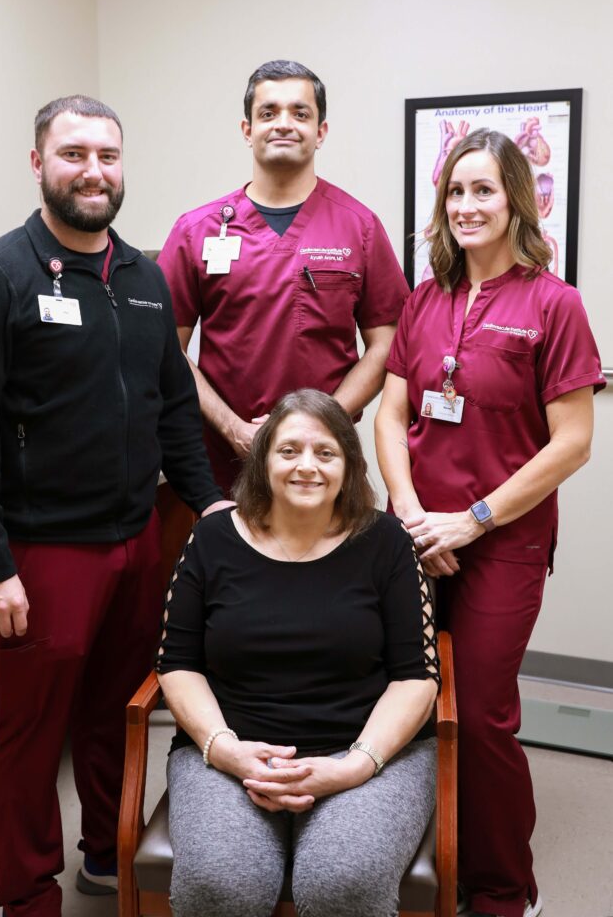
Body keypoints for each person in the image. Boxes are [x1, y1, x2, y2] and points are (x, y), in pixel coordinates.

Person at [0, 95, 228, 917]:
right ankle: (26, 895)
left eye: (107, 155)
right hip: (42, 554)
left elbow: (174, 406)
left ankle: (105, 854)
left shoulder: (140, 279)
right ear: (38, 164)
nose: (92, 171)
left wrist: (204, 509)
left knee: (115, 715)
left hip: (135, 541)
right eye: (73, 154)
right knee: (30, 738)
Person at [375, 129, 605, 917]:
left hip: (500, 540)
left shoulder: (554, 304)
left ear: (517, 202)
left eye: (484, 190)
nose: (467, 206)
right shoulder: (424, 297)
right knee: (402, 699)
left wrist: (469, 521)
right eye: (455, 192)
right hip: (413, 535)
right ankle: (409, 858)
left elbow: (572, 442)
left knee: (478, 714)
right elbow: (390, 412)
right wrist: (409, 516)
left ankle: (503, 890)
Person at [157, 389, 440, 917]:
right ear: (263, 461)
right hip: (232, 752)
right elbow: (177, 663)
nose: (306, 466)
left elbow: (417, 677)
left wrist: (354, 766)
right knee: (220, 881)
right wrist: (224, 750)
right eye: (288, 451)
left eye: (325, 452)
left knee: (343, 880)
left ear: (349, 466)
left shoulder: (388, 543)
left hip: (366, 751)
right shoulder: (212, 537)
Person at [158, 59, 410, 494]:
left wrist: (319, 421)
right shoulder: (195, 231)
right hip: (226, 461)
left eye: (300, 113)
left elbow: (388, 343)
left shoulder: (359, 227)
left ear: (321, 131)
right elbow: (166, 348)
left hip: (326, 461)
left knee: (332, 559)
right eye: (268, 113)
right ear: (247, 129)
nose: (284, 124)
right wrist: (234, 428)